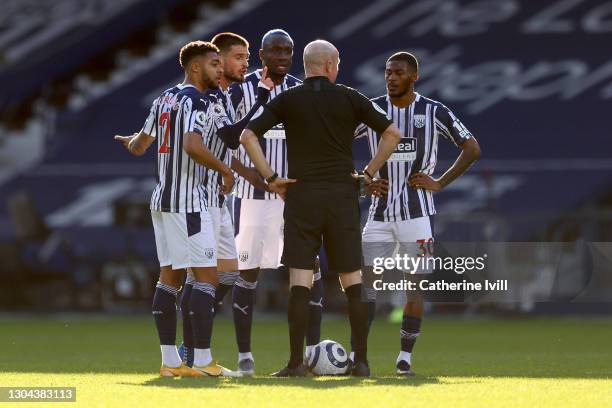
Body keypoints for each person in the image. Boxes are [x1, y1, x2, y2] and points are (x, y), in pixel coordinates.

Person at [239, 40, 402, 377]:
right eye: (337, 62)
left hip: (302, 196)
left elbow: (247, 137)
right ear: (329, 65)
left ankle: (296, 363)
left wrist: (271, 177)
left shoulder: (288, 99)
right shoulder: (350, 97)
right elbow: (392, 133)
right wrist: (368, 173)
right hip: (342, 196)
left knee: (300, 281)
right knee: (352, 281)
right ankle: (361, 362)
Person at [115, 40, 268, 377]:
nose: (219, 69)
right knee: (207, 279)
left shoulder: (164, 99)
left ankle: (170, 363)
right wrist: (226, 169)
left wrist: (130, 142)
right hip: (189, 202)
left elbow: (141, 145)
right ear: (196, 67)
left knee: (168, 278)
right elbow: (192, 144)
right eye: (214, 64)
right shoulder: (197, 100)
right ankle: (202, 360)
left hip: (161, 201)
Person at [354, 51, 481, 376]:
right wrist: (361, 180)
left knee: (415, 287)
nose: (391, 77)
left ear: (414, 77)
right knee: (364, 285)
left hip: (417, 215)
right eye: (387, 72)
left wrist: (440, 182)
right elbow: (334, 142)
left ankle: (405, 359)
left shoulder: (433, 111)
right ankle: (361, 358)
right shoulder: (370, 110)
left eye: (398, 72)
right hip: (378, 216)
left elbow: (471, 147)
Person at [227, 29, 324, 374]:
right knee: (247, 272)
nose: (283, 56)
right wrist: (249, 174)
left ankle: (310, 354)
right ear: (262, 55)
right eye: (276, 51)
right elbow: (223, 139)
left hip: (296, 197)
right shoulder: (240, 89)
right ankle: (244, 357)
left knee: (308, 271)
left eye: (288, 50)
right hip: (255, 197)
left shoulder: (302, 91)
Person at [177, 32, 274, 376]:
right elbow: (225, 139)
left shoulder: (221, 95)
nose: (243, 63)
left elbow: (225, 146)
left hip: (217, 196)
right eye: (236, 57)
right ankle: (193, 355)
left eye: (246, 56)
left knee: (226, 274)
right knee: (203, 276)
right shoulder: (210, 96)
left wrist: (247, 173)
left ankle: (190, 349)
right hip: (197, 197)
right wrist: (262, 97)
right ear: (214, 61)